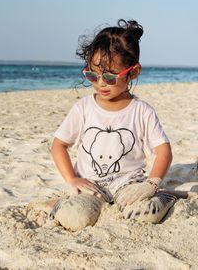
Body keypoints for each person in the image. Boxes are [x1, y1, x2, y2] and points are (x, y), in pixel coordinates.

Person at [50, 19, 177, 231]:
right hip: (90, 185)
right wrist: (72, 179)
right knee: (74, 219)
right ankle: (61, 205)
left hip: (128, 185)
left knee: (145, 215)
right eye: (92, 74)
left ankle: (166, 196)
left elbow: (164, 151)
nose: (100, 83)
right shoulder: (83, 108)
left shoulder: (141, 110)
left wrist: (152, 183)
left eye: (109, 77)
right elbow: (58, 145)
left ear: (133, 72)